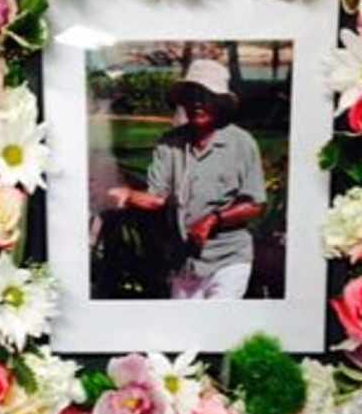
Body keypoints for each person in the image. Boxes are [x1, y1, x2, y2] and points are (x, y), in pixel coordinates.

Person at [109, 59, 266, 299]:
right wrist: (126, 194)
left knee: (217, 321)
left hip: (229, 260)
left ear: (220, 102)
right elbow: (156, 198)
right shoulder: (169, 143)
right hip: (183, 261)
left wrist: (213, 220)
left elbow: (255, 204)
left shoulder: (242, 143)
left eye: (206, 96)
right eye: (191, 96)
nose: (197, 103)